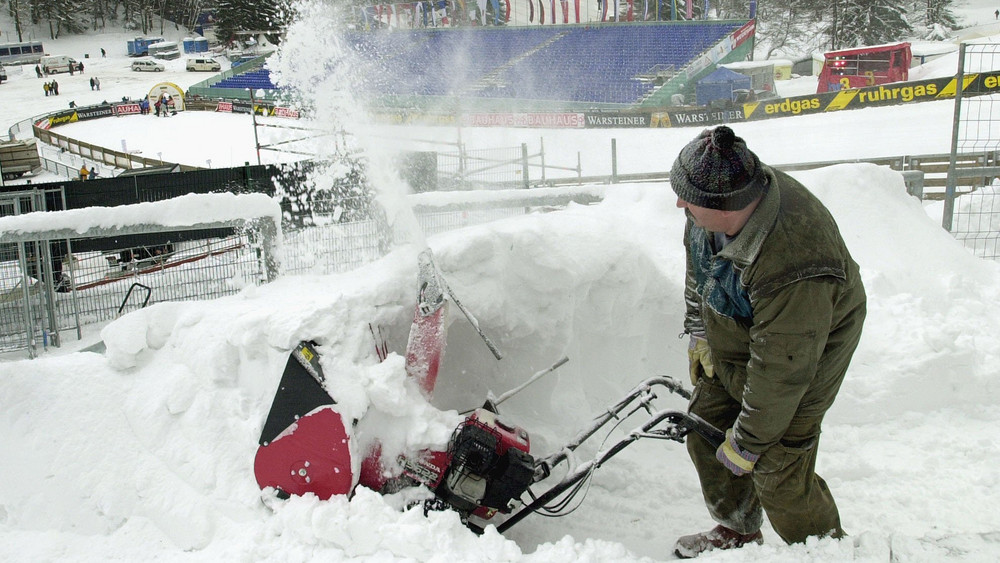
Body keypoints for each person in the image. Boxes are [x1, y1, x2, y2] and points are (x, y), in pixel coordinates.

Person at [669, 126, 866, 558]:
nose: (680, 203)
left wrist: (748, 443)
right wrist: (698, 328)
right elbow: (698, 264)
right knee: (705, 425)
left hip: (808, 341)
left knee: (778, 467)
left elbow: (783, 369)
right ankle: (738, 529)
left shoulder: (797, 260)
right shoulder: (718, 201)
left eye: (688, 198)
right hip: (745, 320)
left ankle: (825, 551)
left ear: (727, 207)